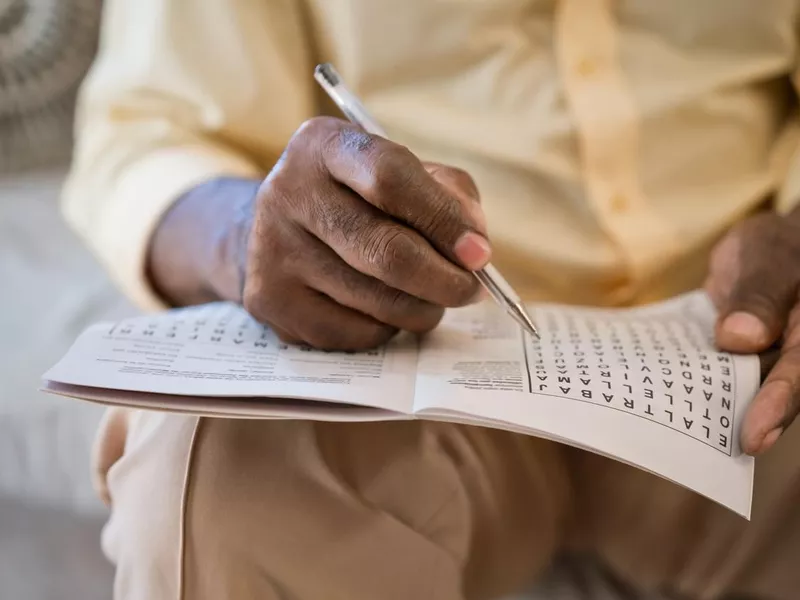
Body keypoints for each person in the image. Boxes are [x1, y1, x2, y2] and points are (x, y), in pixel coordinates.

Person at [63, 1, 800, 599]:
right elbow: (147, 133)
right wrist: (244, 230)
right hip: (420, 364)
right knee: (209, 465)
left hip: (746, 339)